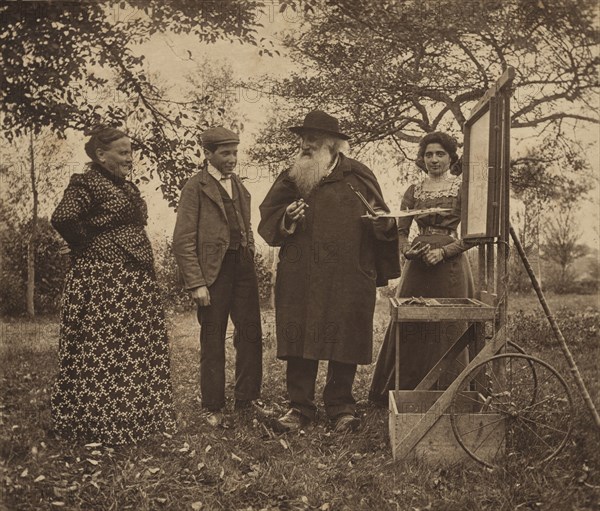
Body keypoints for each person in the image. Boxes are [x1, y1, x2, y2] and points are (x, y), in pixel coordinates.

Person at [258, 110, 399, 433]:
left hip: (347, 274)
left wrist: (384, 226)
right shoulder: (292, 177)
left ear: (333, 144)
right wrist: (287, 217)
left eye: (314, 139)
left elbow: (383, 220)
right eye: (304, 139)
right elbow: (268, 217)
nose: (306, 145)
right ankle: (299, 407)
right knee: (300, 334)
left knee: (344, 335)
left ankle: (341, 406)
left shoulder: (358, 176)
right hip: (301, 273)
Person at [51, 125, 176, 444]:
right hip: (106, 283)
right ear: (100, 154)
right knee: (107, 350)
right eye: (123, 152)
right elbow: (64, 218)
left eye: (131, 151)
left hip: (133, 281)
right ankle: (102, 422)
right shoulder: (86, 183)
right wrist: (91, 248)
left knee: (133, 349)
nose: (130, 158)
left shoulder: (124, 187)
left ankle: (136, 417)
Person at [369, 131, 475, 404]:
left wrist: (444, 252)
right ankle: (401, 392)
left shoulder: (462, 188)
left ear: (451, 157)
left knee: (449, 325)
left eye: (440, 154)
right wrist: (407, 251)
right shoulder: (413, 191)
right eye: (428, 154)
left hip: (450, 266)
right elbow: (401, 231)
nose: (434, 159)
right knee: (410, 321)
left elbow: (473, 234)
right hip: (417, 269)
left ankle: (452, 394)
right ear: (422, 158)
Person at [173, 127, 262, 427]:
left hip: (243, 267)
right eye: (225, 153)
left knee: (250, 334)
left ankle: (247, 401)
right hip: (214, 272)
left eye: (235, 152)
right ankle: (213, 406)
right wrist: (196, 282)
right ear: (207, 154)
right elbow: (183, 240)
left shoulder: (238, 184)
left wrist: (248, 248)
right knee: (213, 337)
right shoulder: (194, 187)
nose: (232, 159)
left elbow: (244, 225)